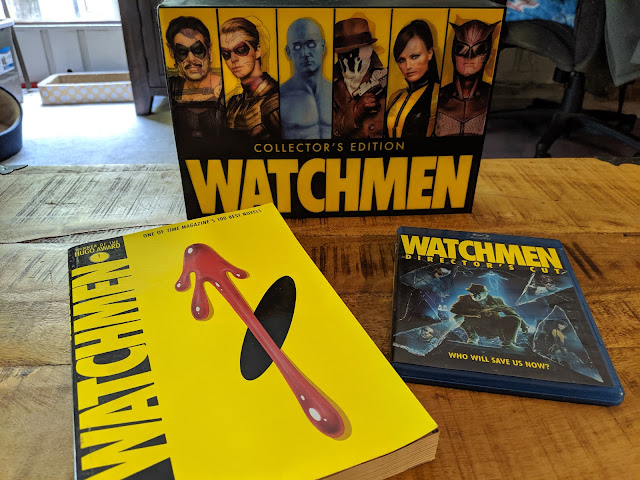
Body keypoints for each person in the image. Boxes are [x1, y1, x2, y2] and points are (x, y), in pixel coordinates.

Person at [165, 16, 226, 149]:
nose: (191, 59)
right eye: (182, 52)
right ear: (173, 54)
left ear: (209, 51)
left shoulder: (229, 89)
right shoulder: (173, 86)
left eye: (198, 50)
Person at [435, 19, 499, 136]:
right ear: (453, 53)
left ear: (488, 54)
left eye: (479, 49)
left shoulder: (492, 97)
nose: (469, 57)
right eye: (461, 48)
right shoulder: (438, 97)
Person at [220, 17, 280, 139]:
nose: (233, 59)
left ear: (257, 51)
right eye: (226, 54)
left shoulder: (276, 101)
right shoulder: (233, 103)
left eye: (241, 50)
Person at [332, 17, 388, 138]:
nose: (350, 58)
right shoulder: (331, 92)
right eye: (344, 53)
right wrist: (355, 112)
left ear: (368, 51)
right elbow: (330, 130)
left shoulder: (386, 82)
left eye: (355, 51)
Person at [386, 20, 440, 138]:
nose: (408, 66)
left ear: (430, 53)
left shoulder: (439, 95)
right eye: (401, 60)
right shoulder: (395, 97)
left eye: (415, 56)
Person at [280, 18, 332, 139]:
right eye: (297, 47)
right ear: (288, 52)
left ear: (323, 46)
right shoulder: (280, 97)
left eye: (311, 44)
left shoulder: (339, 93)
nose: (305, 53)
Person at [450, 283, 528, 351]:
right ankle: (472, 338)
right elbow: (454, 309)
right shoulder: (465, 300)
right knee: (458, 317)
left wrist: (524, 325)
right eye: (472, 293)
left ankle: (508, 344)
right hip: (476, 328)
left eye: (477, 293)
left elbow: (511, 313)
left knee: (514, 319)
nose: (474, 295)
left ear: (485, 293)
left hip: (493, 327)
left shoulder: (497, 301)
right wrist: (477, 312)